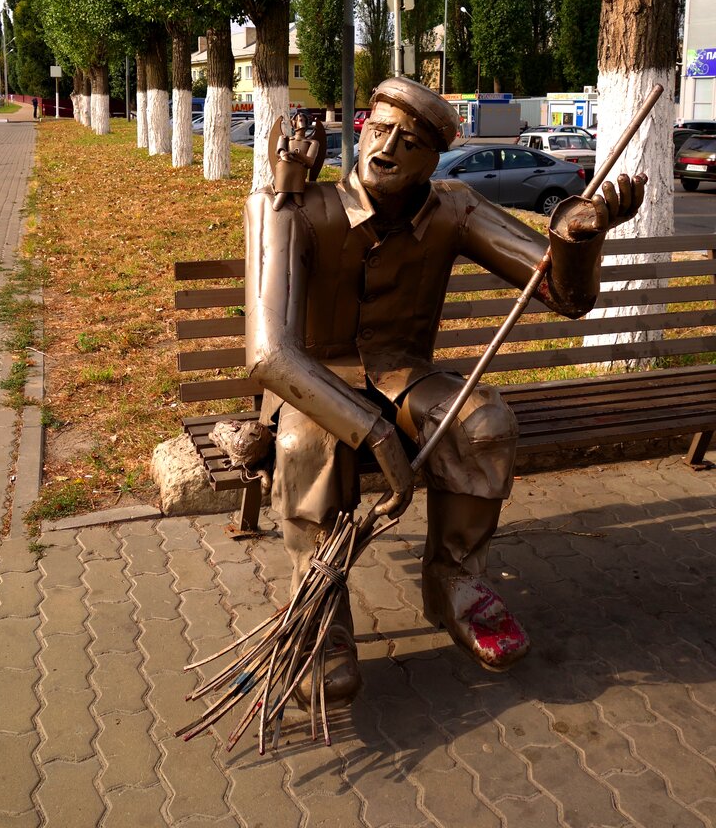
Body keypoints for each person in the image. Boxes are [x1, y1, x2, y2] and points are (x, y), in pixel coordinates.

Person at [244, 76, 646, 704]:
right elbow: (270, 355)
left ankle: (457, 583)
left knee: (484, 424)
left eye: (409, 143)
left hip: (404, 372)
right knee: (305, 446)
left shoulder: (453, 207)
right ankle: (320, 604)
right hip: (314, 376)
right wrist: (374, 432)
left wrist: (578, 238)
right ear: (361, 129)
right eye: (378, 130)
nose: (386, 150)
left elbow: (565, 297)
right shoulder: (296, 207)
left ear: (435, 160)